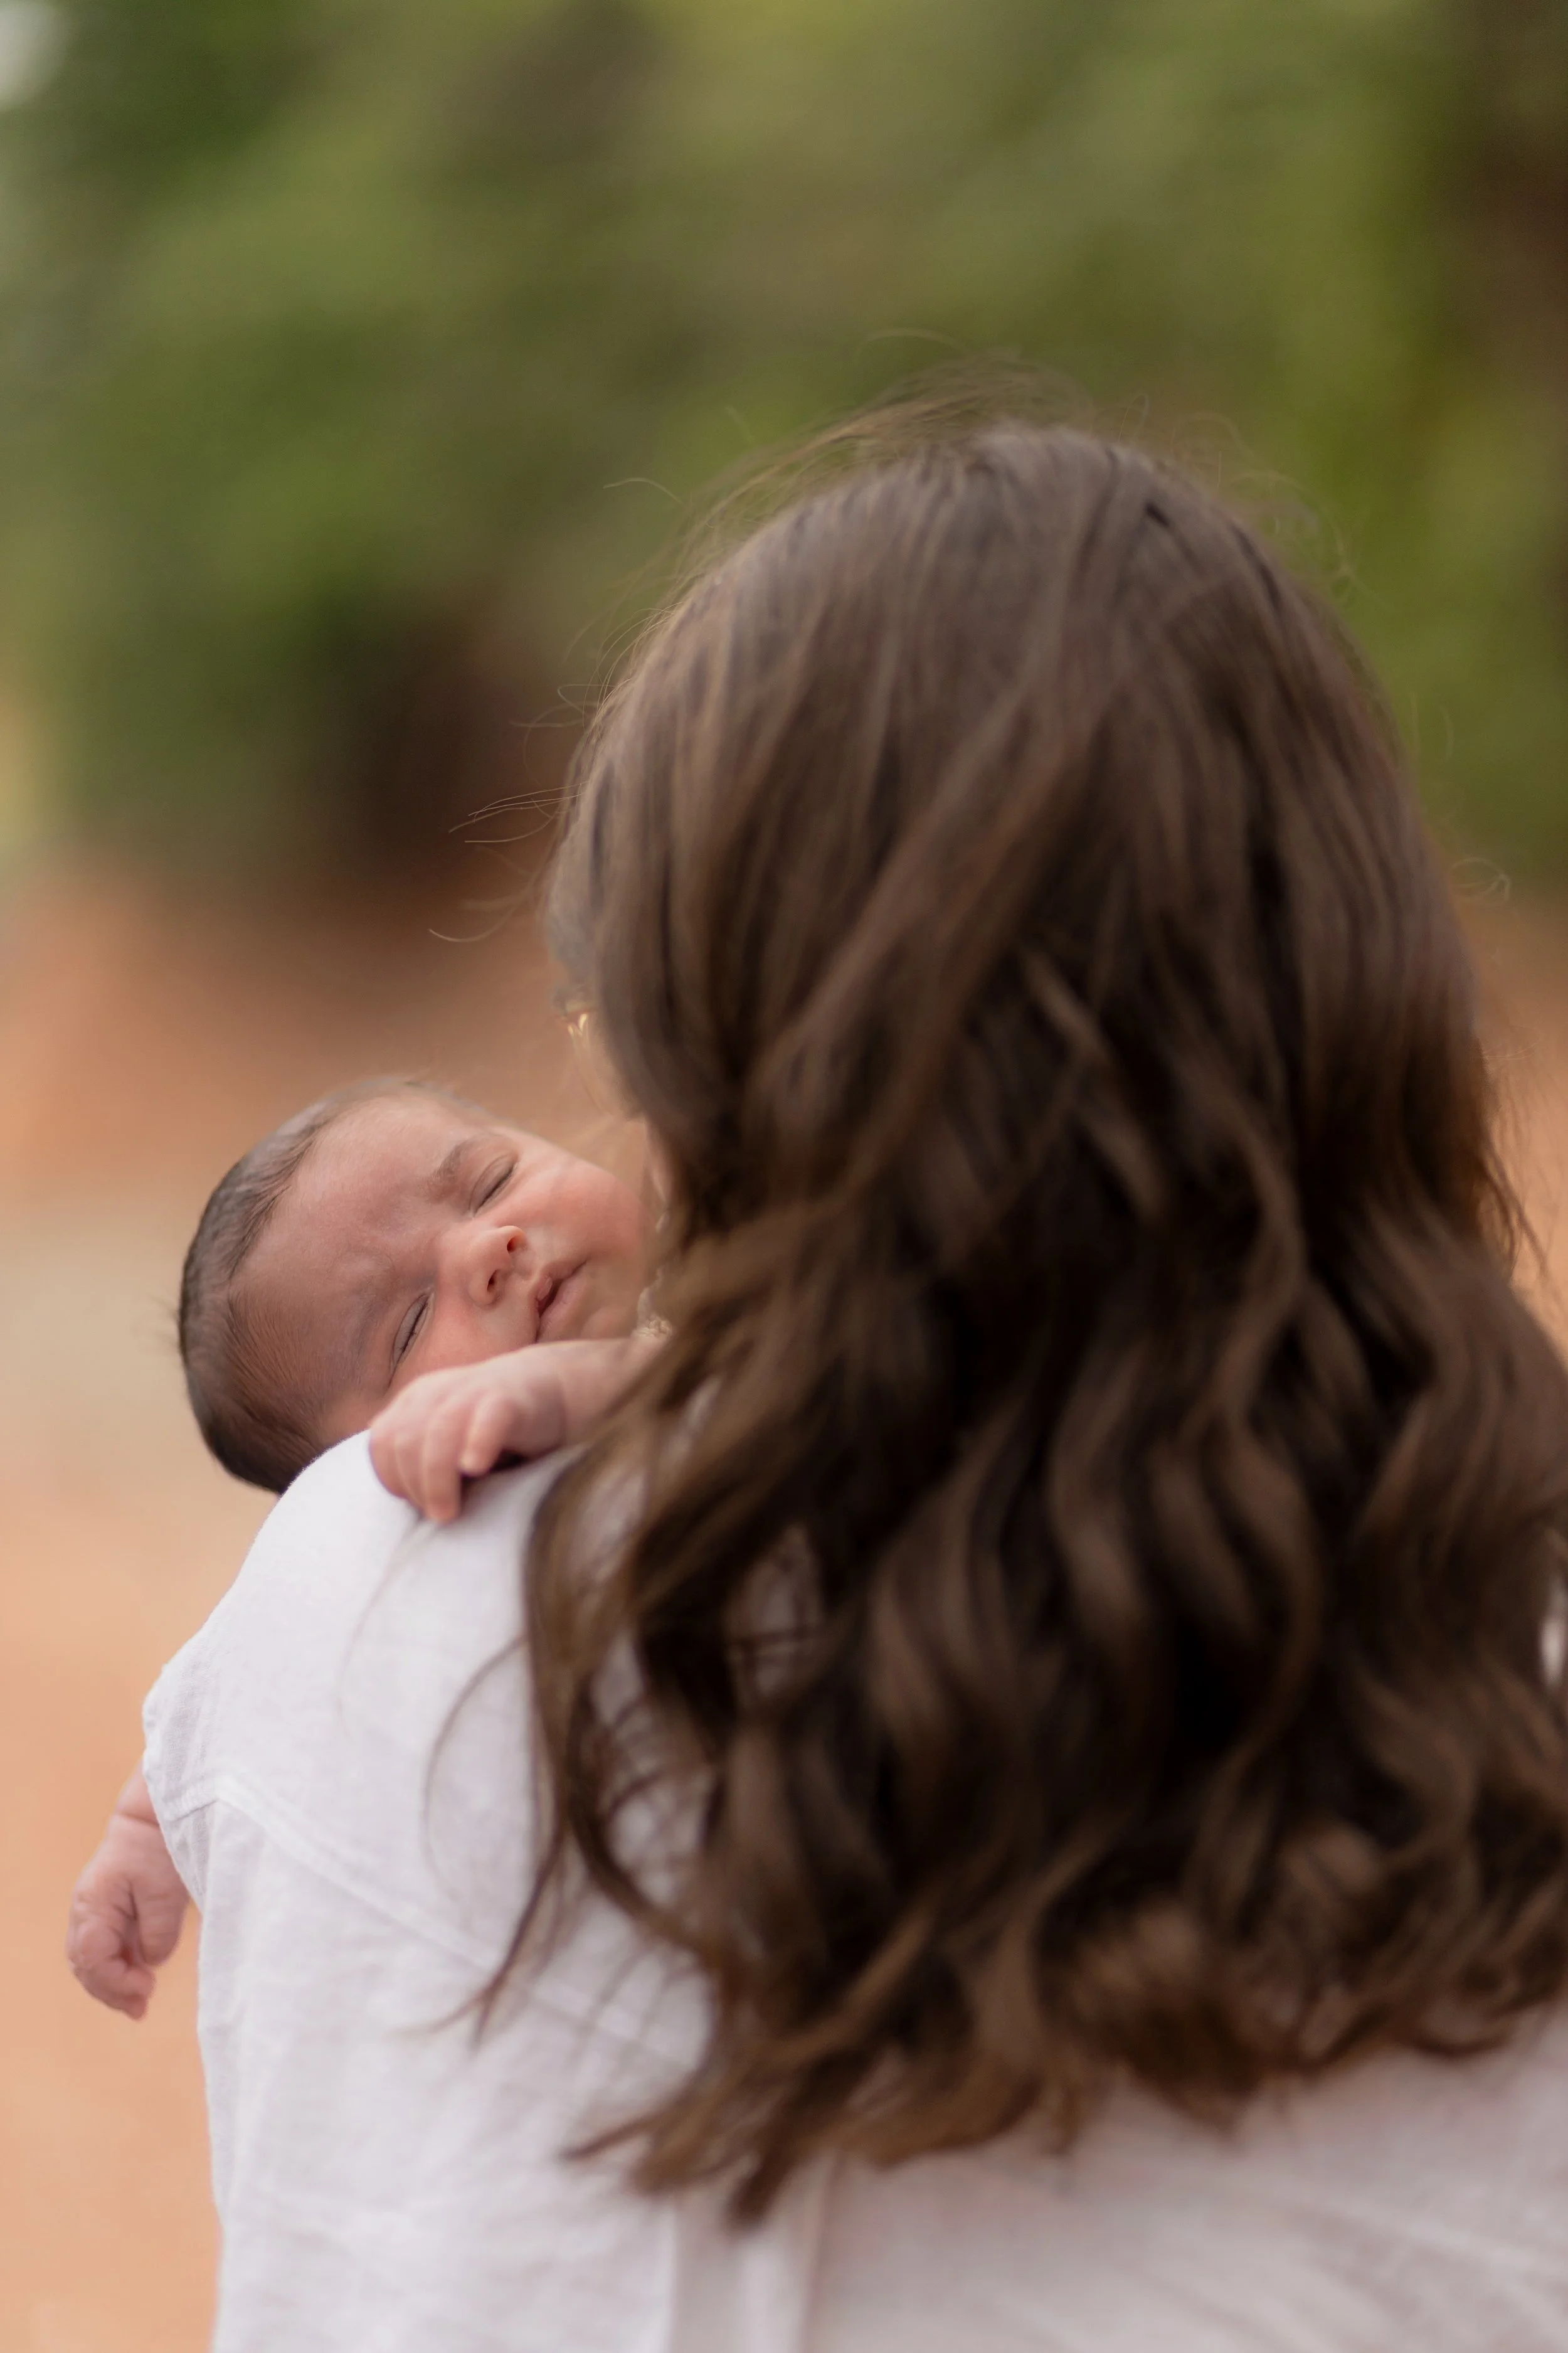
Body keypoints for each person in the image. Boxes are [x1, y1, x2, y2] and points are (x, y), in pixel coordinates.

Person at [142, 419, 1568, 2349]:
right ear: (1361, 988)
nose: (508, 1222)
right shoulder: (1492, 1642)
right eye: (395, 1327)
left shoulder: (412, 1607)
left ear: (716, 1034)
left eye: (505, 1144)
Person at [67, 1078, 659, 2020]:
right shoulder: (405, 1511)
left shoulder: (712, 1253)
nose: (490, 1247)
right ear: (351, 1484)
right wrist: (148, 1826)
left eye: (490, 1178)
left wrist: (587, 1384)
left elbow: (765, 1362)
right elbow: (250, 1664)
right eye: (414, 1321)